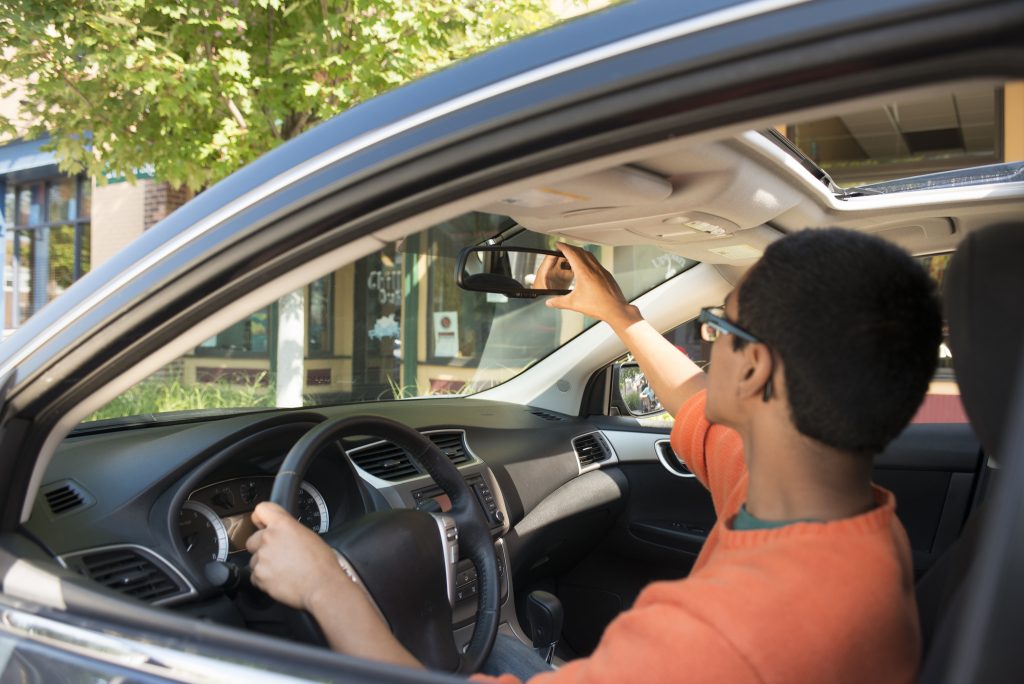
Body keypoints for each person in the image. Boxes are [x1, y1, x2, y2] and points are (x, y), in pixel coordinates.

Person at [246, 228, 942, 683]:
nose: (706, 342)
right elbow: (696, 399)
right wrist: (619, 315)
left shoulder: (718, 638)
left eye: (718, 325)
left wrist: (325, 585)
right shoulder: (841, 514)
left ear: (756, 370)